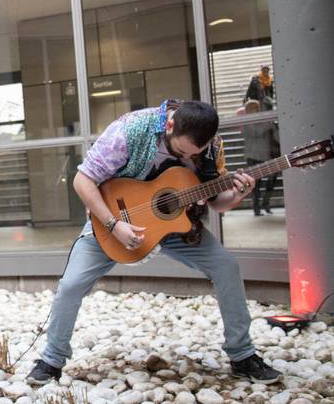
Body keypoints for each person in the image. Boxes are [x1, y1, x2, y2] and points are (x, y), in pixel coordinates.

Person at [27, 100, 283, 385]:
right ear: (170, 125)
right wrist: (114, 224)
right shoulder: (130, 129)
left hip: (175, 226)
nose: (189, 156)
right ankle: (51, 360)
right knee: (71, 285)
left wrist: (238, 195)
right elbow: (82, 180)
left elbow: (215, 202)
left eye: (194, 153)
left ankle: (242, 355)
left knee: (226, 266)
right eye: (183, 151)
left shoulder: (212, 147)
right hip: (113, 220)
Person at [240, 99, 280, 216]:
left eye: (258, 108)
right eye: (254, 108)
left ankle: (266, 204)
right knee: (255, 185)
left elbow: (277, 138)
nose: (257, 110)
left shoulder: (265, 121)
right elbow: (255, 132)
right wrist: (269, 123)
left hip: (267, 156)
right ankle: (256, 208)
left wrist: (273, 126)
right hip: (253, 157)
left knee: (271, 182)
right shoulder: (247, 121)